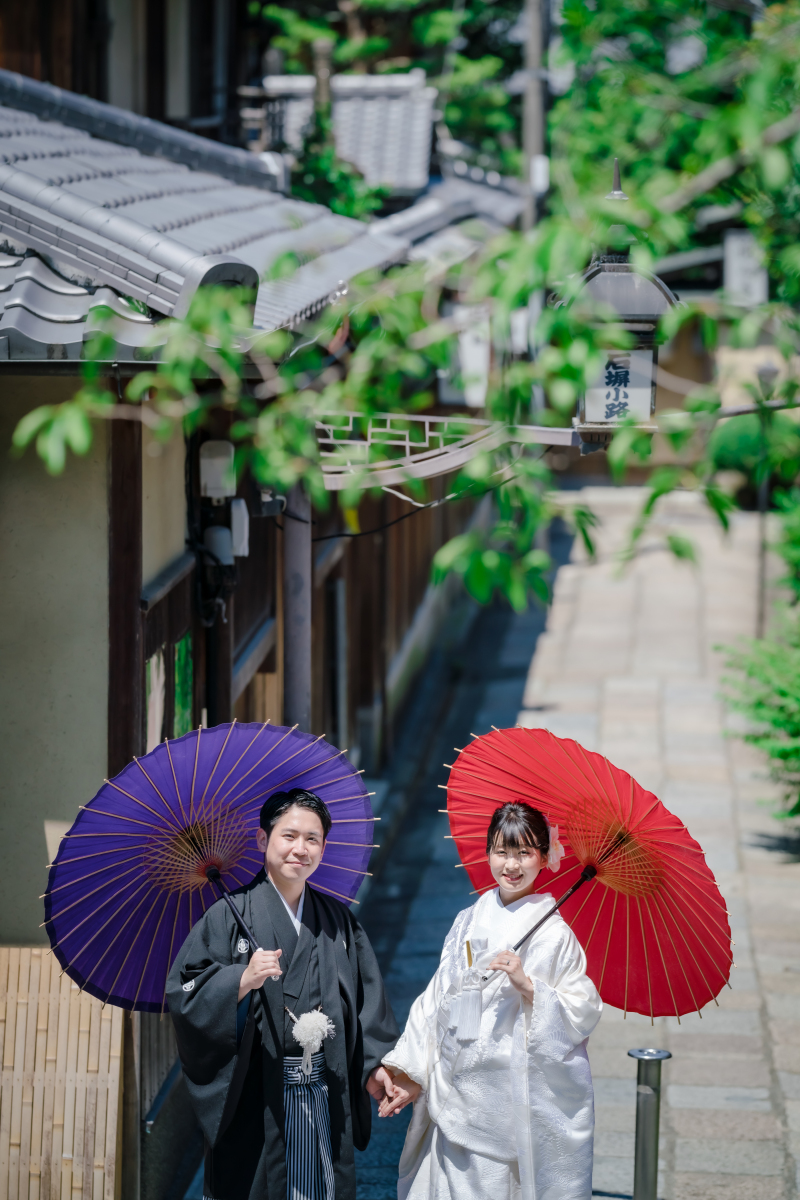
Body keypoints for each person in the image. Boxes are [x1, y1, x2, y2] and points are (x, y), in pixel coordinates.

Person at [166, 788, 400, 1200]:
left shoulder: (338, 922)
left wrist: (374, 1067)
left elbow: (367, 1005)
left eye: (312, 839)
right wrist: (240, 980)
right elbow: (185, 993)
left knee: (317, 1188)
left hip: (322, 1093)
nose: (300, 849)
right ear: (263, 840)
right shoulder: (227, 916)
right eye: (289, 836)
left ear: (324, 848)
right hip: (255, 1096)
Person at [378, 801, 602, 1200]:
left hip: (506, 1100)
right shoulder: (468, 917)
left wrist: (529, 986)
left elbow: (581, 1009)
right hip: (452, 1083)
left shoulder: (554, 935)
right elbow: (436, 997)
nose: (511, 865)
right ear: (487, 852)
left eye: (524, 853)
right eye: (501, 851)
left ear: (544, 856)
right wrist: (412, 1072)